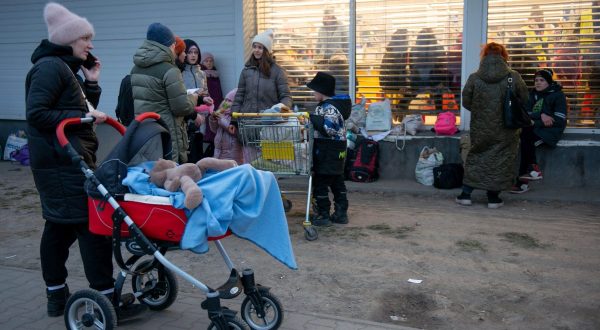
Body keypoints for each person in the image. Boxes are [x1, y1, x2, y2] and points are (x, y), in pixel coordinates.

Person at [25, 2, 120, 318]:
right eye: (85, 39)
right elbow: (37, 113)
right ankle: (106, 299)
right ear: (68, 40)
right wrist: (83, 115)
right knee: (92, 229)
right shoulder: (49, 68)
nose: (91, 45)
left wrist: (90, 83)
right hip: (61, 163)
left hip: (65, 160)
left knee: (59, 229)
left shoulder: (63, 67)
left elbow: (74, 109)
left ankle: (56, 295)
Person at [458, 42, 529, 208]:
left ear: (484, 56)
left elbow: (466, 102)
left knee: (476, 156)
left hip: (481, 127)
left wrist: (482, 112)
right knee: (501, 160)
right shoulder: (513, 76)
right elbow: (524, 99)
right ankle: (493, 198)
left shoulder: (475, 77)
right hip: (507, 128)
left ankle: (465, 195)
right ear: (504, 56)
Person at [131, 23, 197, 164]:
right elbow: (181, 107)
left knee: (151, 173)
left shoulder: (136, 69)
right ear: (168, 45)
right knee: (170, 178)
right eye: (173, 45)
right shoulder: (170, 70)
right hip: (168, 135)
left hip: (145, 133)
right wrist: (193, 98)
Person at [231, 29, 292, 162]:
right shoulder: (246, 71)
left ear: (267, 51)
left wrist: (281, 110)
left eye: (261, 47)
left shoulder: (277, 72)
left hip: (269, 127)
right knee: (250, 165)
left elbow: (286, 96)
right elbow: (239, 96)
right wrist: (233, 119)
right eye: (255, 47)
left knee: (269, 166)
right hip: (248, 125)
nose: (257, 50)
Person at [511, 69, 567, 193]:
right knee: (526, 138)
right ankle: (533, 170)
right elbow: (526, 112)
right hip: (536, 128)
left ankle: (523, 182)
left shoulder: (558, 96)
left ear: (549, 82)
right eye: (536, 80)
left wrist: (536, 120)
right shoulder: (533, 94)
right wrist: (541, 114)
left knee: (526, 140)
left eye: (542, 80)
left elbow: (559, 119)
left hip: (551, 131)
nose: (538, 83)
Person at [307, 72, 352, 226]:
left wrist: (312, 118)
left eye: (314, 91)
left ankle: (323, 214)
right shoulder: (330, 106)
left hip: (328, 149)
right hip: (336, 149)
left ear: (321, 91)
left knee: (321, 182)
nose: (313, 94)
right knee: (336, 180)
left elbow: (329, 129)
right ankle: (341, 213)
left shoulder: (330, 108)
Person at [115, 36, 186, 128]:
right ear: (175, 52)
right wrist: (194, 99)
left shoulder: (131, 76)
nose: (186, 55)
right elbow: (179, 107)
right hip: (154, 131)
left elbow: (120, 111)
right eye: (183, 51)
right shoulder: (168, 76)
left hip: (135, 130)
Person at [182, 39, 213, 162]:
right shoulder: (180, 72)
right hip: (187, 113)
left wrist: (207, 100)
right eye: (190, 52)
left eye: (195, 52)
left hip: (201, 115)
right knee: (188, 147)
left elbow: (205, 91)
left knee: (199, 144)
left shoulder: (202, 73)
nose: (193, 55)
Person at [209, 88, 243, 164]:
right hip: (218, 154)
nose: (226, 103)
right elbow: (214, 130)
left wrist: (222, 121)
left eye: (229, 101)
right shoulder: (223, 114)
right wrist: (212, 119)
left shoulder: (237, 116)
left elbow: (236, 132)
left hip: (233, 156)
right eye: (225, 100)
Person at [201, 52, 224, 158]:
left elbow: (219, 90)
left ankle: (214, 149)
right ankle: (209, 150)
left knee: (216, 125)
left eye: (211, 61)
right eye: (206, 61)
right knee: (209, 127)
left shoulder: (215, 74)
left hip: (218, 103)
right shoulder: (201, 74)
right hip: (208, 104)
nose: (209, 63)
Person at [380, 29, 409, 109]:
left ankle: (396, 109)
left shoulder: (389, 50)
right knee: (412, 90)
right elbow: (399, 71)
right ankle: (400, 109)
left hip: (384, 83)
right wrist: (404, 85)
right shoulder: (399, 52)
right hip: (393, 83)